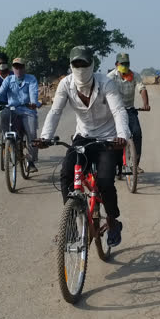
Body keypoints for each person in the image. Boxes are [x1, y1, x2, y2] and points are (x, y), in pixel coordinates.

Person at [39, 46, 131, 247]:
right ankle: (70, 223)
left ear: (92, 65)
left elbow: (118, 111)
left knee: (106, 182)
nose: (80, 68)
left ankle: (113, 222)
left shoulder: (105, 82)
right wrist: (46, 137)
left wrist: (122, 136)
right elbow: (55, 112)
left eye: (84, 64)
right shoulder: (66, 84)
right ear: (71, 66)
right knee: (66, 174)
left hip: (109, 139)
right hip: (83, 137)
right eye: (76, 64)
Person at [0, 57, 41, 173]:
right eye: (16, 67)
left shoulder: (31, 79)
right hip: (12, 110)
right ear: (12, 68)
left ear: (24, 68)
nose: (18, 69)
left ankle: (30, 161)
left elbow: (33, 93)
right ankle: (9, 145)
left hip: (27, 110)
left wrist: (33, 103)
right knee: (3, 116)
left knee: (32, 134)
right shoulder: (8, 80)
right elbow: (0, 93)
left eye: (20, 67)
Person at [107, 53, 150, 173]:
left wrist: (145, 104)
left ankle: (135, 164)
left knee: (136, 133)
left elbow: (142, 89)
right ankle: (113, 163)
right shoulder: (110, 77)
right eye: (122, 64)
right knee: (113, 138)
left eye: (127, 63)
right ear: (116, 64)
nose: (125, 66)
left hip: (129, 110)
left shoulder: (134, 75)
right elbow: (103, 93)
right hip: (114, 111)